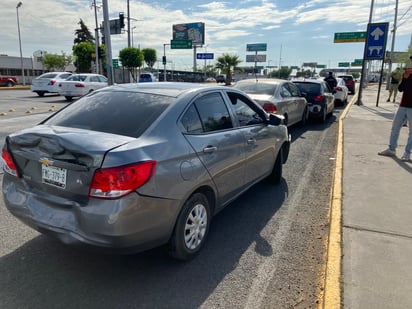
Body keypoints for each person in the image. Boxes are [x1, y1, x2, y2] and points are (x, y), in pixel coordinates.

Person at [378, 56, 412, 161]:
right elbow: (401, 89)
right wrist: (404, 78)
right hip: (403, 105)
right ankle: (392, 149)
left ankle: (407, 153)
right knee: (395, 128)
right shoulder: (407, 73)